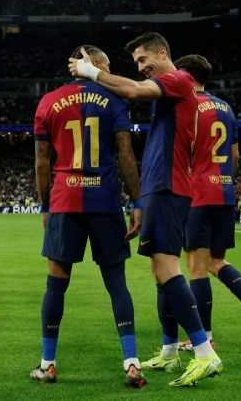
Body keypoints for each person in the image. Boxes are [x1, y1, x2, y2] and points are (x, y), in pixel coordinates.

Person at [69, 32, 222, 388]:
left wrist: (92, 73)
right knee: (159, 271)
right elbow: (133, 90)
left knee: (168, 270)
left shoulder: (178, 79)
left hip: (168, 187)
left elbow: (134, 90)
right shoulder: (169, 88)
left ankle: (204, 352)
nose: (140, 68)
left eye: (143, 60)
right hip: (160, 187)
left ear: (163, 52)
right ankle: (170, 351)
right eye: (136, 63)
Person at [31, 45, 146, 388]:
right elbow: (125, 152)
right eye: (106, 66)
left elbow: (41, 161)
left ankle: (48, 364)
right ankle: (132, 362)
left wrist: (44, 205)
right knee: (117, 286)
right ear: (93, 64)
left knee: (56, 284)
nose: (110, 73)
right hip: (106, 201)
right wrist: (137, 202)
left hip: (65, 200)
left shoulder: (48, 102)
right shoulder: (115, 100)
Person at [172, 54, 241, 353]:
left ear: (185, 76)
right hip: (224, 192)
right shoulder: (225, 107)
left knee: (196, 267)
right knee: (216, 261)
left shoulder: (186, 106)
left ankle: (204, 337)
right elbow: (236, 157)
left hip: (197, 193)